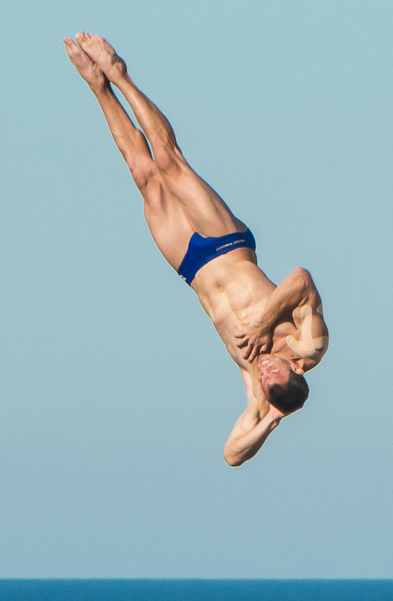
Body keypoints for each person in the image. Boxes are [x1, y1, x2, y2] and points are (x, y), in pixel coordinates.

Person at [63, 33, 329, 466]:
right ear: (295, 369)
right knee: (170, 161)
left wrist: (271, 418)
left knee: (144, 174)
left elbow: (232, 455)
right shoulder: (308, 346)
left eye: (264, 379)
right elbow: (301, 279)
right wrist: (263, 323)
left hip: (191, 266)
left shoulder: (260, 393)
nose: (262, 370)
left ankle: (97, 86)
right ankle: (119, 73)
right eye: (271, 371)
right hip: (228, 245)